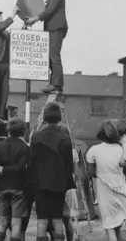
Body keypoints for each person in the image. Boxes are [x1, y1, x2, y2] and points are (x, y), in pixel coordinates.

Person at [28, 103, 76, 241]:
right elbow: (68, 163)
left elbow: (32, 162)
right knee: (57, 218)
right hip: (59, 183)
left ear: (45, 118)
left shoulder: (37, 137)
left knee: (42, 219)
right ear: (59, 118)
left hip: (40, 183)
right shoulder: (65, 138)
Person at [85, 120, 126, 241]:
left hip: (105, 192)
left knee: (109, 226)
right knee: (117, 226)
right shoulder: (121, 149)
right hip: (120, 190)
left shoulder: (94, 150)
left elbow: (91, 173)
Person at [26, 0, 68, 94]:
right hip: (52, 29)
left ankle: (56, 84)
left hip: (56, 28)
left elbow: (50, 11)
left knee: (54, 55)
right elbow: (45, 10)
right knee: (50, 56)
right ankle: (54, 83)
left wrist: (35, 19)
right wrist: (34, 16)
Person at [0, 118, 30, 241]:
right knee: (16, 222)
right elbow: (20, 168)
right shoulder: (25, 147)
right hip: (18, 187)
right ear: (23, 132)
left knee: (2, 222)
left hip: (2, 187)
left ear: (7, 131)